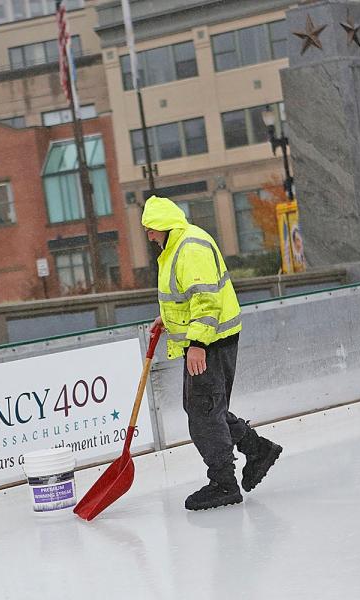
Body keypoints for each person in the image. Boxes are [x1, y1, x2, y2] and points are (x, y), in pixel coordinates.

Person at [142, 195, 282, 511]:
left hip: (210, 343)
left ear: (164, 225)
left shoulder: (189, 247)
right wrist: (168, 318)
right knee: (207, 409)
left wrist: (198, 345)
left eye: (151, 228)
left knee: (204, 413)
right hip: (209, 341)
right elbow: (187, 295)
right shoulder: (177, 246)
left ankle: (224, 483)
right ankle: (256, 449)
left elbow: (206, 301)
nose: (149, 235)